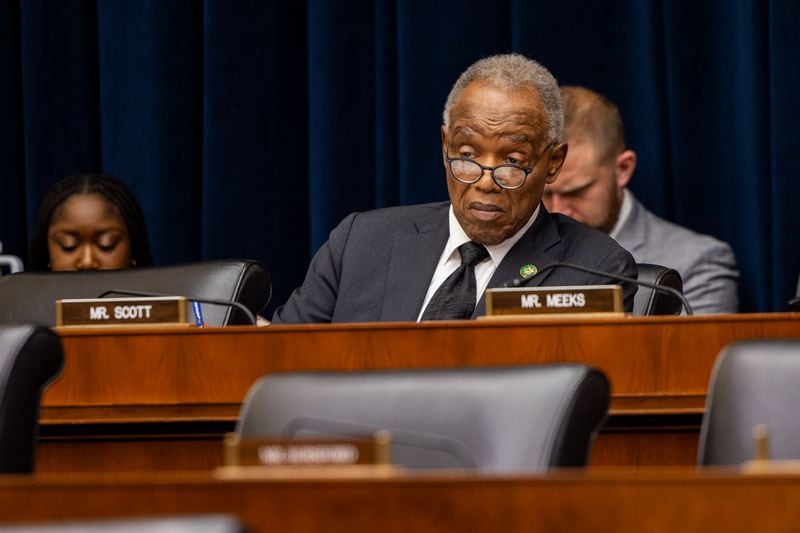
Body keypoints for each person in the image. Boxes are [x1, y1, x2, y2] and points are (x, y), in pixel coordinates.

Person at [272, 54, 636, 324]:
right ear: (445, 145)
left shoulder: (596, 268)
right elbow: (279, 360)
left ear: (553, 162)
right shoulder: (361, 243)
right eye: (467, 155)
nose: (485, 181)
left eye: (512, 160)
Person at [542, 86, 738, 315]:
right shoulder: (510, 253)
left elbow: (694, 352)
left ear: (623, 169)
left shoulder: (695, 263)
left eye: (576, 192)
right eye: (545, 194)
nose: (558, 209)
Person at [28, 173, 154, 271]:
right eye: (68, 245)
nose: (87, 262)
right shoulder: (19, 304)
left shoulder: (167, 304)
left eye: (106, 244)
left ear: (134, 251)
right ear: (47, 253)